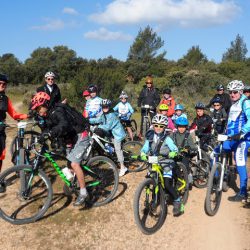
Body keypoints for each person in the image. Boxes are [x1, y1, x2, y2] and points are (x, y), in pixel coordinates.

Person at [30, 92, 90, 206]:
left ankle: (83, 192)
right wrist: (42, 136)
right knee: (68, 162)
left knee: (74, 164)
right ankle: (74, 182)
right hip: (72, 137)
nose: (38, 111)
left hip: (81, 134)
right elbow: (47, 128)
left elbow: (64, 124)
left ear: (45, 105)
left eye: (38, 109)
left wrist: (51, 133)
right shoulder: (47, 115)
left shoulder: (57, 111)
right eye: (36, 110)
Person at [140, 114, 184, 216]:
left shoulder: (167, 138)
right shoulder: (150, 137)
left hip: (166, 162)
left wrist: (173, 153)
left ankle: (178, 200)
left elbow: (174, 148)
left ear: (164, 127)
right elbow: (145, 147)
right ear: (153, 126)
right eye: (156, 125)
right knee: (153, 180)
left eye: (161, 126)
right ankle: (154, 201)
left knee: (167, 184)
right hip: (154, 162)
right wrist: (142, 153)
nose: (158, 128)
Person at [223, 80, 250, 202]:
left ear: (240, 92)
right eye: (230, 92)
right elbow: (231, 123)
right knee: (216, 151)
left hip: (243, 139)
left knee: (239, 161)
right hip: (231, 138)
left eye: (235, 92)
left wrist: (242, 132)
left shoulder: (245, 102)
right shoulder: (233, 104)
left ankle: (243, 192)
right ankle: (218, 175)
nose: (232, 94)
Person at [0, 74, 29, 174]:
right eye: (0, 83)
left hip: (1, 131)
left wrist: (27, 115)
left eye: (4, 84)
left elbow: (14, 114)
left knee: (1, 156)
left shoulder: (5, 99)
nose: (2, 85)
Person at [91, 99, 127, 177]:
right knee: (108, 146)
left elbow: (107, 127)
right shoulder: (104, 114)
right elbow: (98, 119)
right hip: (111, 134)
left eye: (106, 107)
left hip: (118, 134)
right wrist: (88, 120)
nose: (105, 108)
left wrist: (96, 127)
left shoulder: (111, 115)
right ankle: (114, 162)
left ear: (109, 106)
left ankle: (123, 167)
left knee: (117, 149)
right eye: (103, 107)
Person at [170, 117, 197, 185]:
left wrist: (188, 148)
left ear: (186, 127)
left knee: (185, 165)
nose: (181, 129)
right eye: (179, 127)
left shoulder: (188, 135)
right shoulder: (173, 135)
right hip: (175, 154)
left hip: (184, 155)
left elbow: (193, 147)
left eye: (183, 127)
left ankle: (188, 178)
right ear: (177, 126)